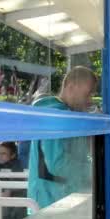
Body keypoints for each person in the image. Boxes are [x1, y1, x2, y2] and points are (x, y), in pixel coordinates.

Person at [28, 66, 97, 208]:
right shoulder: (55, 115)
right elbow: (57, 164)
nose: (90, 100)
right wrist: (96, 169)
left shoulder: (70, 114)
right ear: (71, 87)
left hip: (64, 198)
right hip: (50, 202)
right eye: (87, 94)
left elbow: (78, 155)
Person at [0, 141, 27, 219]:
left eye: (3, 154)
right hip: (3, 199)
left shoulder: (16, 164)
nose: (0, 156)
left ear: (13, 155)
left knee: (15, 218)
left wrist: (8, 190)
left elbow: (17, 178)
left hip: (16, 199)